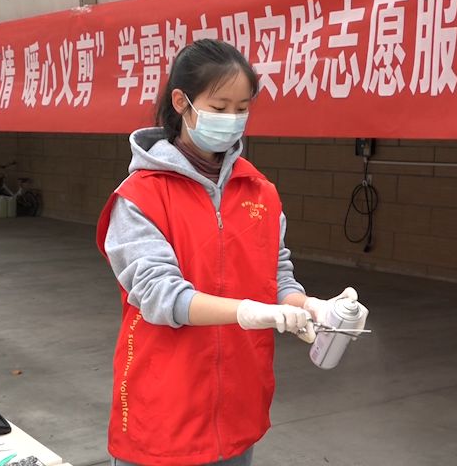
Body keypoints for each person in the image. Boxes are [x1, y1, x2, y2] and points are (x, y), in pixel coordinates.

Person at [96, 39, 368, 466]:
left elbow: (276, 275)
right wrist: (247, 312)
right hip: (165, 406)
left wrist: (309, 306)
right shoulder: (140, 197)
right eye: (220, 107)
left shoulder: (260, 192)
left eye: (242, 108)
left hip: (238, 406)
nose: (232, 120)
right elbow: (159, 295)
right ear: (182, 103)